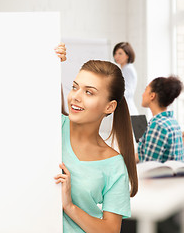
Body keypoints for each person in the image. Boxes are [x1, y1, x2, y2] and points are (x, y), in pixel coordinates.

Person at [55, 44, 138, 233]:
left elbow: (111, 230)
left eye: (89, 92)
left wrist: (70, 207)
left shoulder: (114, 165)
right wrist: (49, 61)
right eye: (75, 87)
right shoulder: (53, 128)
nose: (76, 97)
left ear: (109, 107)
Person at [136, 76, 184, 163]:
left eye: (145, 89)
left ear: (152, 96)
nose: (142, 94)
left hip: (157, 175)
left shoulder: (157, 126)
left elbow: (148, 166)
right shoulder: (172, 121)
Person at [113, 42, 138, 115]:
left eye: (120, 53)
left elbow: (127, 92)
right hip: (126, 108)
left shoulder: (128, 69)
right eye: (115, 53)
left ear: (127, 55)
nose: (116, 56)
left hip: (128, 110)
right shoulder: (124, 69)